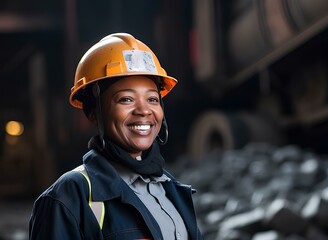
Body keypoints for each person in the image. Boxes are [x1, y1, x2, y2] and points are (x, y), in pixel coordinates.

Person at [29, 32, 203, 239]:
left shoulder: (170, 189)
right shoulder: (70, 196)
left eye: (152, 99)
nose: (144, 110)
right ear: (93, 112)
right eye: (126, 99)